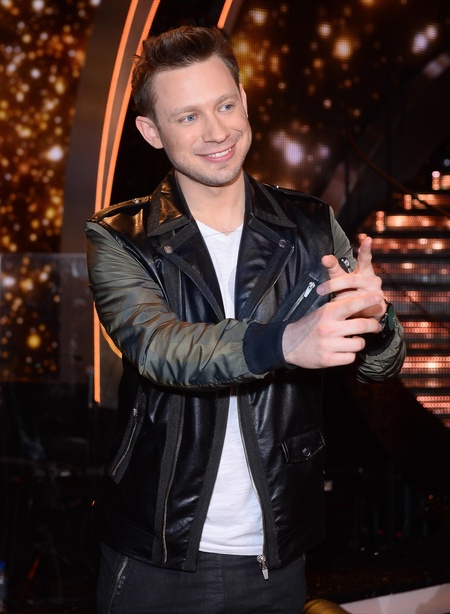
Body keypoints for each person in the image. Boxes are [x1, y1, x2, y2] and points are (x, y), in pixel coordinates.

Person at [86, 25, 406, 614]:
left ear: (244, 101)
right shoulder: (121, 238)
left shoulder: (312, 226)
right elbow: (160, 347)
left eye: (225, 105)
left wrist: (377, 322)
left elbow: (381, 367)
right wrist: (283, 342)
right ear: (151, 132)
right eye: (188, 117)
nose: (216, 132)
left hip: (277, 556)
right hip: (156, 556)